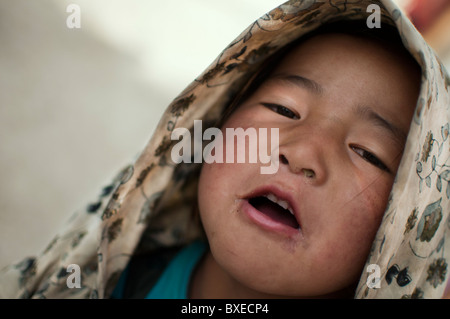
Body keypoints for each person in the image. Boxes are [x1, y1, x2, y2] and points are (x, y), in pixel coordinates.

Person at [1, 0, 449, 299]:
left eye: (367, 152)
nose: (301, 153)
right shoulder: (114, 280)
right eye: (283, 108)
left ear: (404, 233)